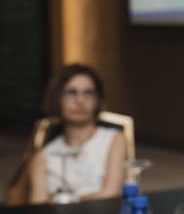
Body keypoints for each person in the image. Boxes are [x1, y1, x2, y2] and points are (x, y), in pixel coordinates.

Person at [28, 64, 127, 203]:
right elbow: (37, 208)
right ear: (57, 99)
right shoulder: (44, 156)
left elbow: (111, 194)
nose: (80, 101)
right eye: (71, 92)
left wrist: (61, 201)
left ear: (97, 100)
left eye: (88, 93)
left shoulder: (114, 139)